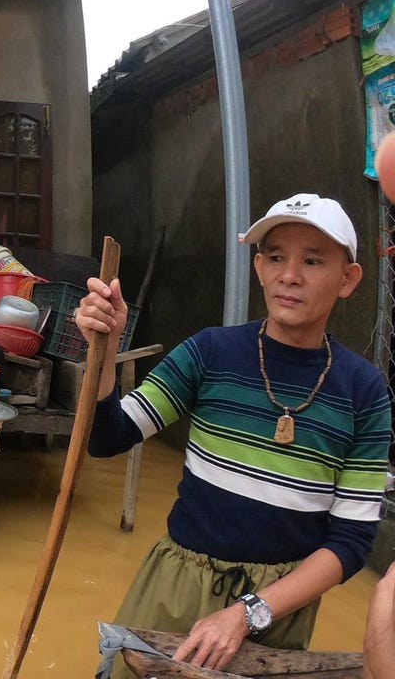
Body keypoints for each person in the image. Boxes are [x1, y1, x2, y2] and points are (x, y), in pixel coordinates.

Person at [75, 194, 391, 676]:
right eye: (277, 256)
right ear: (260, 267)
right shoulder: (210, 353)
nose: (290, 274)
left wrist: (248, 613)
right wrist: (106, 347)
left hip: (277, 608)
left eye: (313, 260)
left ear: (347, 279)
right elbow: (109, 437)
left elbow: (350, 540)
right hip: (175, 582)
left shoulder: (364, 391)